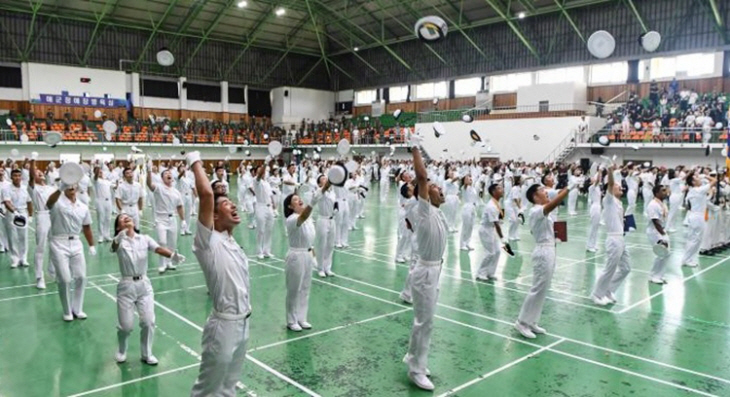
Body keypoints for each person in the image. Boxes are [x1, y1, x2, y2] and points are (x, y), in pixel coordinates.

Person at [187, 151, 251, 397]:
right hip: (223, 325)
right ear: (213, 214)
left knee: (228, 387)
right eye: (225, 204)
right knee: (208, 389)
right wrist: (195, 161)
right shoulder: (208, 242)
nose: (233, 205)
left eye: (231, 202)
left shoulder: (233, 242)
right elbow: (205, 195)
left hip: (244, 322)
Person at [111, 213, 185, 365]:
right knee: (126, 326)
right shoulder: (119, 242)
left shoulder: (144, 239)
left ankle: (146, 353)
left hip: (144, 284)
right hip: (126, 286)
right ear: (118, 226)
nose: (126, 217)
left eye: (128, 216)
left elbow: (158, 249)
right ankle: (121, 349)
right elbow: (113, 247)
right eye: (122, 218)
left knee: (148, 322)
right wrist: (119, 236)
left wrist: (173, 256)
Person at [402, 145, 447, 391]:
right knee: (424, 322)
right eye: (434, 187)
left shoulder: (438, 213)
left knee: (425, 320)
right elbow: (421, 177)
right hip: (425, 272)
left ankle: (413, 356)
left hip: (434, 270)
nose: (439, 189)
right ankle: (416, 370)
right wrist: (416, 149)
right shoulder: (423, 210)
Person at [514, 181, 569, 339]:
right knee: (537, 288)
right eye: (543, 191)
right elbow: (552, 204)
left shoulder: (544, 212)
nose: (546, 193)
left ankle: (532, 321)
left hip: (550, 249)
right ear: (535, 196)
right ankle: (522, 322)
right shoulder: (536, 211)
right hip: (543, 251)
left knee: (543, 288)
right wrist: (568, 188)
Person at [46, 177, 96, 321]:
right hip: (58, 242)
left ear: (78, 186)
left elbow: (86, 227)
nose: (71, 186)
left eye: (73, 184)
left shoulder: (83, 206)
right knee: (65, 279)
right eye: (68, 184)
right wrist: (60, 188)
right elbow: (49, 203)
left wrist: (91, 245)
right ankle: (67, 311)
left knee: (81, 277)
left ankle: (77, 308)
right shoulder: (57, 202)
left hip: (76, 242)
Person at [283, 181, 330, 331]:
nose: (299, 200)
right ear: (290, 207)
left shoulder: (309, 220)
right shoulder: (291, 220)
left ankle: (302, 318)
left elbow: (310, 242)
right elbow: (303, 215)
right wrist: (313, 201)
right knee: (294, 289)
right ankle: (291, 320)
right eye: (295, 200)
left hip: (307, 254)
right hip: (295, 256)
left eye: (299, 198)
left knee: (305, 288)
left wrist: (328, 184)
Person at [591, 165, 631, 305]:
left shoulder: (619, 203)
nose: (620, 187)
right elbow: (610, 184)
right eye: (617, 186)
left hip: (621, 238)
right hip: (613, 239)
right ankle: (597, 294)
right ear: (611, 188)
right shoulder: (608, 201)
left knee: (626, 268)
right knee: (609, 268)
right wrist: (610, 171)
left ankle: (608, 290)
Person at [146, 161, 185, 274]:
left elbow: (180, 206)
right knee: (162, 242)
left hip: (172, 219)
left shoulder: (176, 192)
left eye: (169, 173)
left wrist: (183, 220)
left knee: (172, 243)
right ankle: (162, 264)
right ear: (162, 178)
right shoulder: (159, 188)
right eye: (165, 173)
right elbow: (149, 184)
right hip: (160, 219)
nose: (168, 174)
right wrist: (148, 170)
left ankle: (169, 262)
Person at [28, 156, 55, 289]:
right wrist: (33, 161)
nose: (40, 173)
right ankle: (39, 277)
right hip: (42, 216)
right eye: (38, 173)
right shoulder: (34, 188)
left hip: (54, 217)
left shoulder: (51, 188)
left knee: (55, 246)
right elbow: (32, 176)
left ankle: (53, 271)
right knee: (40, 248)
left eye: (41, 172)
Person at [681, 171, 716, 267]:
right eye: (697, 178)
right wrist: (706, 175)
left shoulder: (694, 190)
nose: (699, 179)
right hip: (697, 217)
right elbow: (714, 180)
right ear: (692, 182)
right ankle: (686, 259)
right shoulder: (697, 190)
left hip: (695, 216)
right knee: (695, 240)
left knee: (695, 239)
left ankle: (689, 258)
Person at [476, 183, 507, 281]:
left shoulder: (497, 203)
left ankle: (490, 272)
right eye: (499, 188)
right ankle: (480, 273)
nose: (502, 190)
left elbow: (499, 218)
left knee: (497, 252)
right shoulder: (491, 206)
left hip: (491, 229)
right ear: (494, 192)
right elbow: (496, 224)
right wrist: (502, 238)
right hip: (486, 230)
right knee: (490, 253)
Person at [3, 168, 32, 268]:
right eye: (15, 176)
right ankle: (15, 259)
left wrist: (31, 215)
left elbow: (29, 202)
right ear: (11, 177)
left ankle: (24, 258)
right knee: (13, 237)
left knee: (23, 237)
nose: (17, 178)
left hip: (23, 213)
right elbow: (7, 202)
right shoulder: (6, 189)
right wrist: (14, 212)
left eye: (19, 176)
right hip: (12, 214)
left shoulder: (25, 188)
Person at [313, 175, 337, 277]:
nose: (326, 179)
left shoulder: (332, 191)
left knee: (330, 245)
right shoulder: (319, 191)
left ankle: (328, 268)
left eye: (326, 177)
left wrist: (336, 209)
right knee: (321, 245)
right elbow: (325, 187)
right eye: (323, 179)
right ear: (319, 183)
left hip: (332, 220)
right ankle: (320, 268)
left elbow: (335, 203)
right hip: (322, 219)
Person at [646, 185, 670, 284]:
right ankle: (654, 276)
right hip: (655, 231)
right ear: (657, 193)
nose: (665, 192)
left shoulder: (662, 203)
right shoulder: (653, 205)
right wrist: (663, 235)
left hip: (661, 230)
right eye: (663, 191)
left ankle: (658, 275)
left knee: (666, 253)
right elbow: (655, 221)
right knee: (661, 253)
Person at [254, 160, 275, 259]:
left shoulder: (267, 183)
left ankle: (267, 251)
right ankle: (259, 251)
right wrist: (265, 164)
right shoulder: (256, 181)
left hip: (269, 207)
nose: (263, 173)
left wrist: (273, 204)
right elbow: (259, 175)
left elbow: (270, 195)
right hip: (260, 207)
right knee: (261, 230)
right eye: (260, 171)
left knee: (269, 230)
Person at [92, 166, 114, 243]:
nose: (100, 173)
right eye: (99, 172)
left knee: (108, 219)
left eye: (101, 172)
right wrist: (97, 170)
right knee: (101, 219)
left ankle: (107, 235)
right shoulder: (96, 180)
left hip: (108, 201)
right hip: (100, 201)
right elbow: (95, 177)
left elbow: (114, 186)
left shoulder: (107, 181)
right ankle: (100, 236)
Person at [459, 174, 478, 251]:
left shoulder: (473, 188)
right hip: (467, 207)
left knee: (470, 227)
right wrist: (465, 179)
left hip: (473, 208)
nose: (470, 179)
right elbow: (466, 184)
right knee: (465, 227)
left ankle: (467, 243)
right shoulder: (464, 187)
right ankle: (462, 244)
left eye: (470, 177)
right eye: (467, 178)